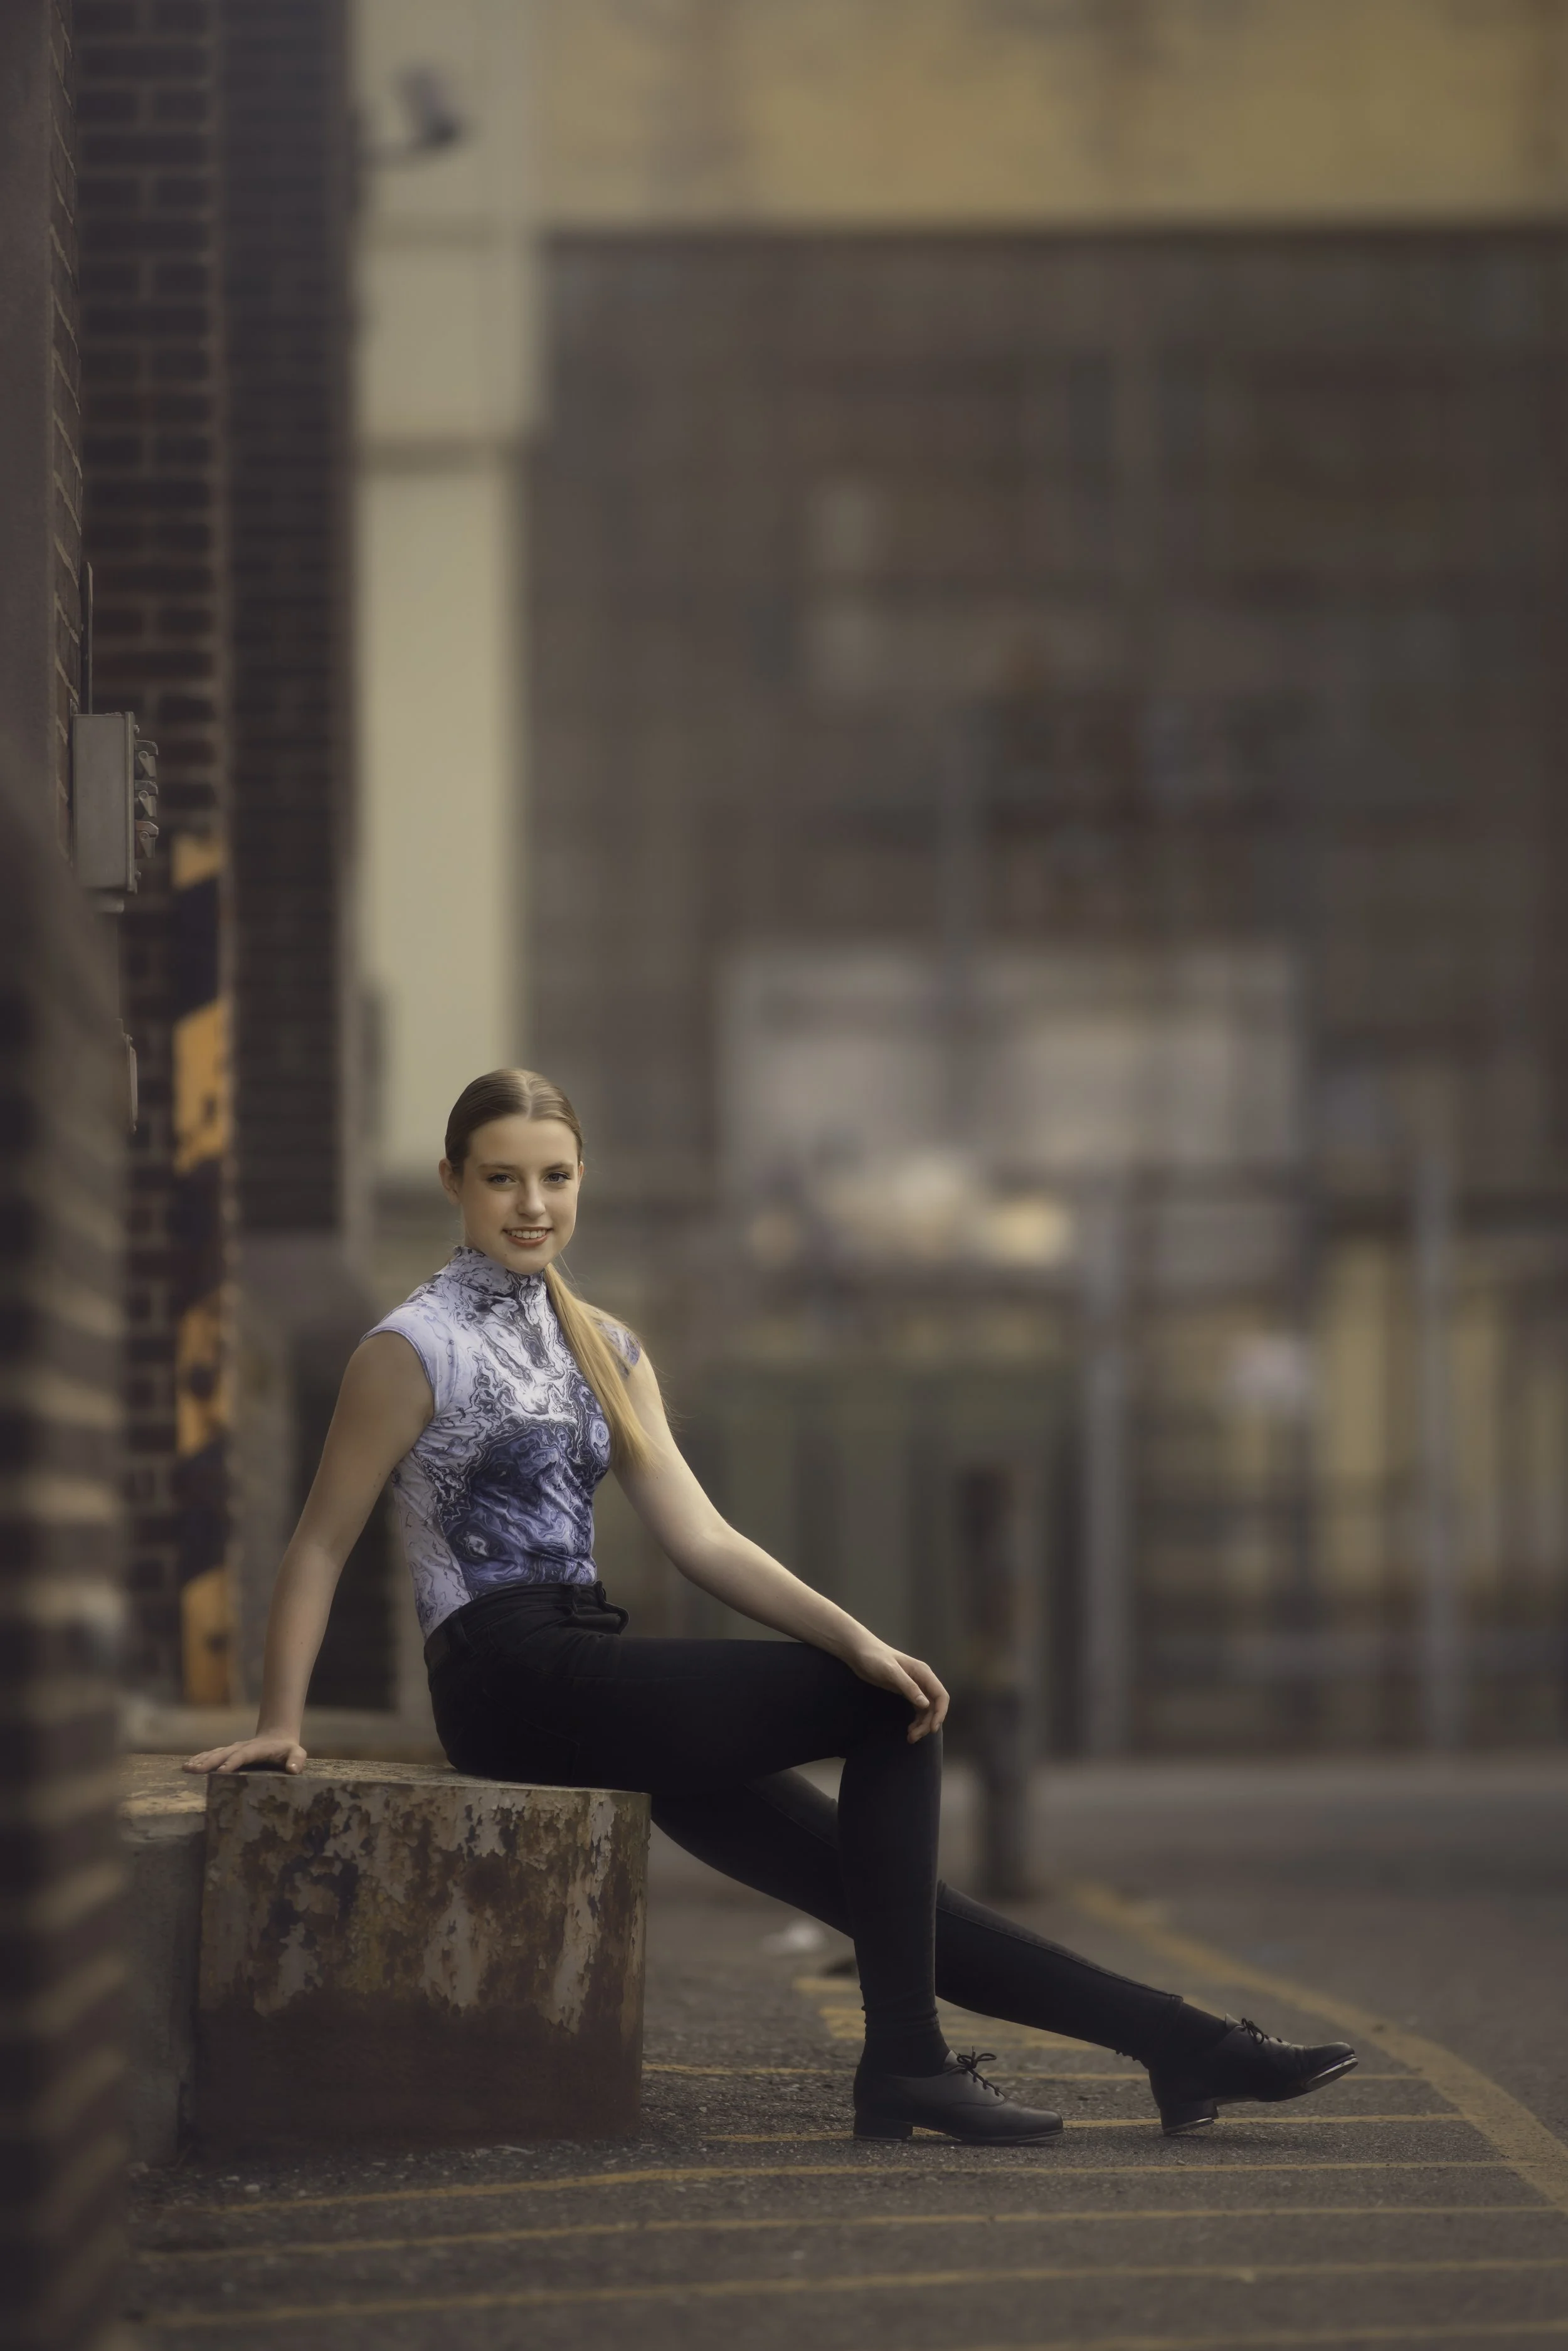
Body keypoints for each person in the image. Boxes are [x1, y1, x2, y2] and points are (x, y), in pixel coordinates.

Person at [188, 1068, 1356, 2146]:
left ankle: (1188, 2048)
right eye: (502, 1177)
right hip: (505, 1681)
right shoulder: (411, 1347)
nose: (531, 1203)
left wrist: (854, 1634)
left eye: (555, 1176)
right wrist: (282, 1720)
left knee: (890, 1874)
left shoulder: (605, 1347)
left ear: (581, 1180)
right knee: (877, 1715)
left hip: (589, 1663)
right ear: (454, 1182)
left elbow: (700, 1537)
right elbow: (320, 1540)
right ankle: (907, 2061)